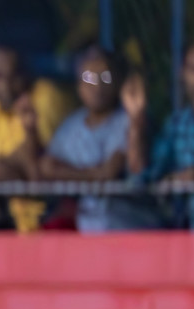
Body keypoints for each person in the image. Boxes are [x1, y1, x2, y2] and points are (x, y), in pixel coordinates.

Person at [37, 47, 156, 232]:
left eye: (105, 78)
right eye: (89, 78)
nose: (98, 86)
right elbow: (47, 167)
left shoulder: (128, 120)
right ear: (79, 86)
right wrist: (94, 175)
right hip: (88, 229)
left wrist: (72, 175)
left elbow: (110, 172)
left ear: (118, 82)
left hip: (128, 226)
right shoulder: (71, 125)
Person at [0, 46, 69, 231]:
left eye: (13, 76)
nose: (5, 85)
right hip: (7, 218)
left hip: (48, 218)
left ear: (25, 74)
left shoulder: (45, 96)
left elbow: (34, 167)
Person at [151, 42, 194, 229]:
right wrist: (136, 120)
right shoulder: (176, 124)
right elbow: (148, 174)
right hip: (189, 234)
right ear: (182, 73)